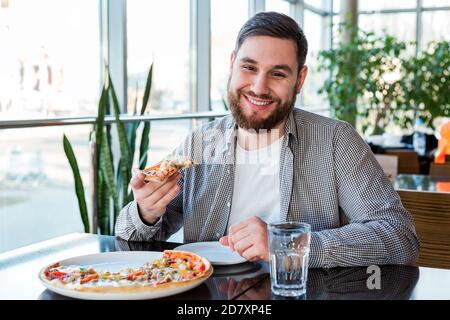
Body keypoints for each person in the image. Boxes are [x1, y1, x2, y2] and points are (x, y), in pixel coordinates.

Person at [115, 12, 419, 268]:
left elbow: (398, 237)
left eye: (278, 74)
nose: (259, 88)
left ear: (299, 80)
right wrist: (146, 211)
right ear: (232, 64)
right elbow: (131, 237)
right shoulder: (200, 142)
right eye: (249, 67)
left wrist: (287, 245)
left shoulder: (337, 141)